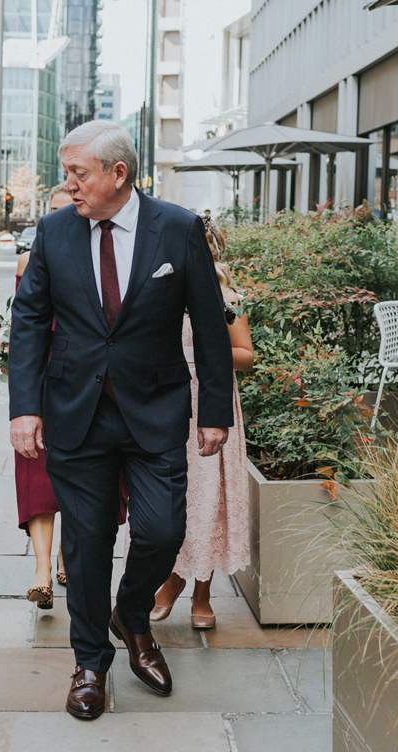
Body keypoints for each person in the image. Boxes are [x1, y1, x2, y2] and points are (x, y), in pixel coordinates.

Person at [9, 120, 234, 721]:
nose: (69, 185)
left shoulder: (178, 229)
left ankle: (131, 615)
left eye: (79, 173)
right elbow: (28, 319)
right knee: (85, 546)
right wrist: (25, 407)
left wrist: (214, 411)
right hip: (74, 414)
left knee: (163, 531)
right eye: (67, 173)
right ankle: (90, 663)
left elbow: (210, 324)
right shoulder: (55, 230)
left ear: (118, 174)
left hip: (154, 411)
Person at [149, 221, 253, 629]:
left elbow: (246, 355)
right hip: (170, 400)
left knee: (210, 494)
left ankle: (202, 596)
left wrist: (209, 353)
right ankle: (171, 578)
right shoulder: (162, 293)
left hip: (210, 401)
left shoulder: (229, 298)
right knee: (176, 494)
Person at [14, 183, 75, 610]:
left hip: (81, 379)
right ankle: (41, 571)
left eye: (65, 208)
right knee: (38, 474)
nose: (55, 218)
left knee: (77, 471)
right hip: (40, 379)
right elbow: (24, 324)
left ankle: (66, 557)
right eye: (50, 210)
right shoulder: (26, 261)